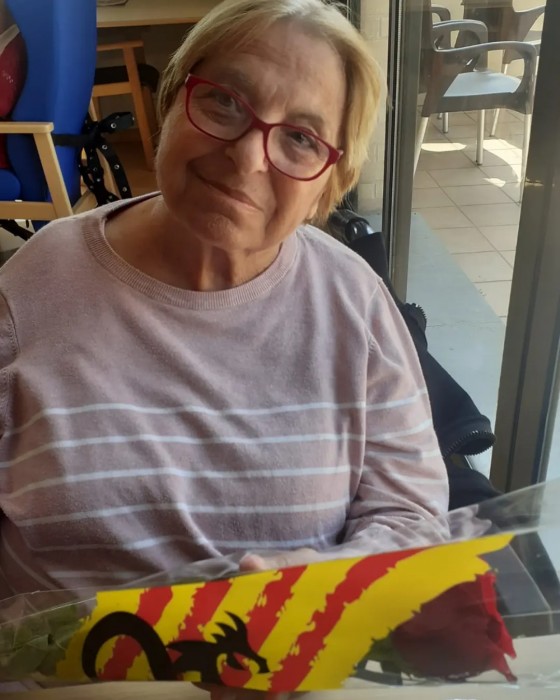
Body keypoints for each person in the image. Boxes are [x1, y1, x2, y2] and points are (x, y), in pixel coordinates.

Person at [0, 0, 448, 640]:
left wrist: (325, 583)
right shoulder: (31, 287)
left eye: (301, 138)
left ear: (328, 185)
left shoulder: (354, 302)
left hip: (287, 666)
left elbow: (412, 516)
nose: (248, 158)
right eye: (225, 102)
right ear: (173, 101)